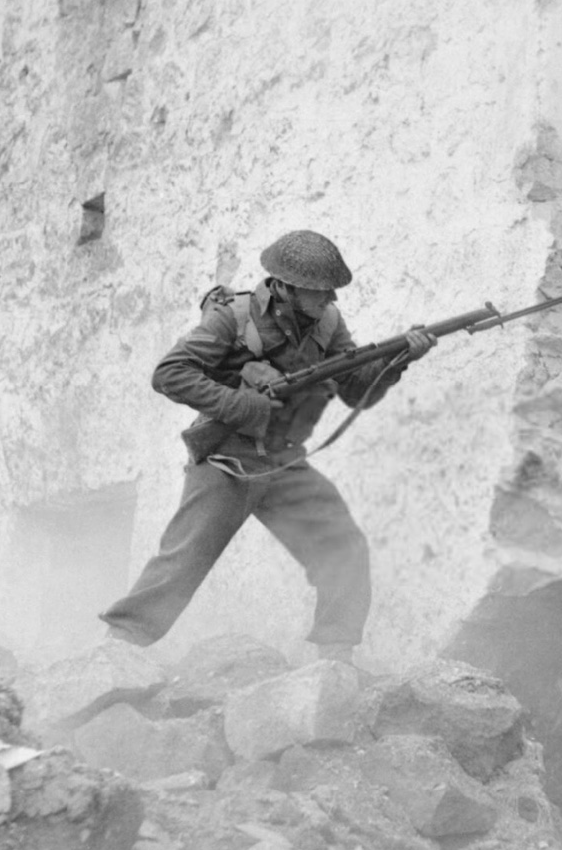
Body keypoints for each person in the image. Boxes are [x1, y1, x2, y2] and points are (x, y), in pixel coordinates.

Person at [99, 230, 435, 664]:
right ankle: (118, 653)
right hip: (228, 458)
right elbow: (170, 373)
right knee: (185, 557)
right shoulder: (232, 318)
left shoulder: (328, 323)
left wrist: (397, 360)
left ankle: (335, 662)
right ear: (285, 287)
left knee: (342, 546)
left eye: (331, 290)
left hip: (284, 459)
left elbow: (355, 391)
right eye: (319, 291)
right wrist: (243, 406)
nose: (330, 298)